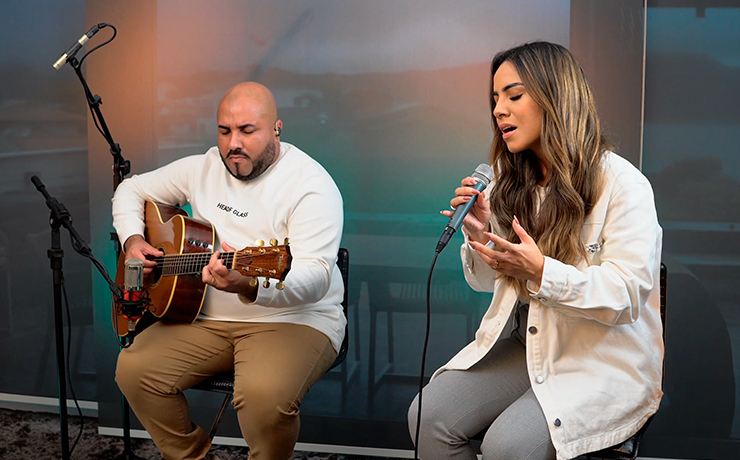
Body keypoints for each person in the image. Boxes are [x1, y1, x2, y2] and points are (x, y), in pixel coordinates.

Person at [408, 41, 663, 460]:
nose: (498, 110)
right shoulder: (512, 181)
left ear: (554, 96)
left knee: (508, 446)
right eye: (494, 99)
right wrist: (481, 234)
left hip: (597, 360)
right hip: (529, 347)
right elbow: (487, 283)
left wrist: (542, 271)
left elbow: (627, 295)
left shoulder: (623, 185)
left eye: (514, 95)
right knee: (428, 416)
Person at [113, 82, 345, 460]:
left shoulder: (311, 185)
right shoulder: (202, 167)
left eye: (247, 131)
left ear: (276, 130)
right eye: (224, 131)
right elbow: (131, 189)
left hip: (294, 319)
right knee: (135, 371)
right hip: (208, 319)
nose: (233, 143)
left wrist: (250, 285)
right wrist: (133, 241)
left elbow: (316, 276)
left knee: (263, 399)